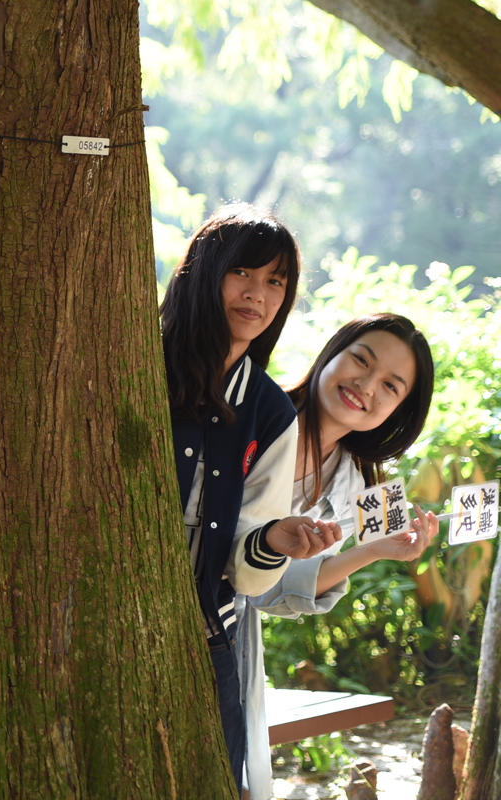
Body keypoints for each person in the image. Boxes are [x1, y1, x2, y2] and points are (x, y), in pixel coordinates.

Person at [160, 203, 343, 793]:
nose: (257, 294)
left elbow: (246, 570)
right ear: (204, 271)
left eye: (275, 282)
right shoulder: (133, 360)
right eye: (242, 273)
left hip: (204, 634)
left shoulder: (270, 411)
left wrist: (273, 541)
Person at [238, 314, 438, 799]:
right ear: (333, 351)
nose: (366, 386)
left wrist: (375, 550)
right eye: (361, 361)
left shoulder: (352, 483)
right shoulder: (252, 410)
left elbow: (272, 593)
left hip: (231, 640)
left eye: (390, 386)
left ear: (399, 410)